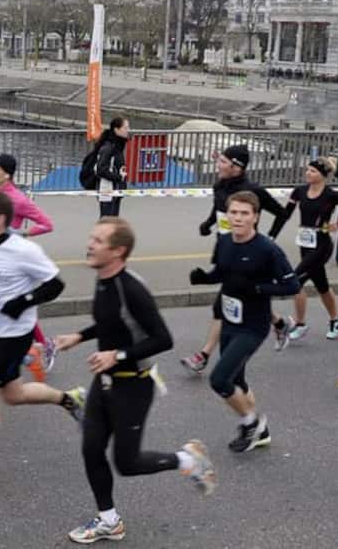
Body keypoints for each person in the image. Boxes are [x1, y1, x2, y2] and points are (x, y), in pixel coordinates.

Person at [53, 217, 216, 544]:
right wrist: (79, 336)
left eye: (98, 241)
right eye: (91, 237)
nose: (89, 244)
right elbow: (110, 323)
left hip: (135, 384)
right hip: (106, 381)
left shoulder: (132, 289)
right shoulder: (103, 280)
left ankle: (188, 459)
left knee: (127, 463)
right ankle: (109, 520)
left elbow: (163, 339)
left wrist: (118, 355)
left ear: (118, 251)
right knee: (91, 449)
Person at [0, 190, 84, 478]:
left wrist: (23, 302)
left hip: (14, 335)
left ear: (1, 219)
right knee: (14, 395)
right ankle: (69, 399)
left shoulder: (23, 250)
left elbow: (55, 285)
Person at [188, 191, 299, 453]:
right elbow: (222, 273)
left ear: (255, 217)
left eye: (244, 213)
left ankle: (252, 424)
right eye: (233, 212)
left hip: (253, 325)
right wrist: (206, 278)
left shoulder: (267, 249)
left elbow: (291, 285)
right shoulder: (224, 241)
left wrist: (258, 289)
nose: (237, 218)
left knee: (219, 379)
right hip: (229, 321)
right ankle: (262, 433)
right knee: (237, 382)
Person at [181, 145, 288, 374]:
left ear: (237, 166)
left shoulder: (253, 191)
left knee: (222, 305)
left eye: (223, 161)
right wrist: (207, 224)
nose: (218, 165)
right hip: (225, 249)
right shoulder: (219, 184)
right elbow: (218, 208)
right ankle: (279, 323)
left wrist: (269, 239)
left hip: (250, 253)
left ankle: (204, 355)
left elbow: (281, 212)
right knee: (241, 296)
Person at [0, 153, 56, 377]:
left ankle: (35, 350)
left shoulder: (18, 199)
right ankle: (28, 351)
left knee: (13, 307)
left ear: (7, 174)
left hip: (13, 261)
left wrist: (22, 232)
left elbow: (47, 224)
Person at [267, 158, 338, 341]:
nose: (308, 173)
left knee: (296, 281)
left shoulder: (332, 195)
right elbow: (285, 215)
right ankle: (336, 319)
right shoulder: (299, 191)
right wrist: (271, 237)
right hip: (305, 243)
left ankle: (300, 324)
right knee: (321, 285)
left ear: (323, 175)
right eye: (307, 170)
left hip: (322, 245)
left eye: (313, 171)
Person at [91, 117, 130, 218]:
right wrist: (118, 177)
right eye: (125, 128)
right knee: (107, 222)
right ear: (117, 130)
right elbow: (101, 169)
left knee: (113, 222)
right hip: (107, 189)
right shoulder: (108, 147)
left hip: (116, 189)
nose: (128, 130)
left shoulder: (118, 146)